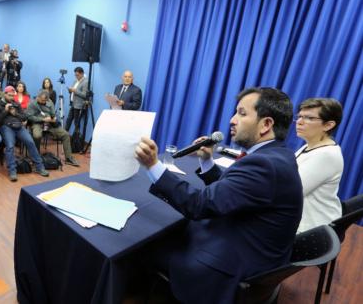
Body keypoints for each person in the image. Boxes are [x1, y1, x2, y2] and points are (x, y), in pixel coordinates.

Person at [135, 87, 303, 303]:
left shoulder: (265, 164)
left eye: (242, 113)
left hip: (228, 269)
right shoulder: (277, 155)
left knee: (142, 246)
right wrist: (206, 161)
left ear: (266, 124)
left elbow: (198, 205)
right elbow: (232, 193)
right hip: (253, 252)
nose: (232, 120)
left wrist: (152, 166)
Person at [294, 98, 344, 233]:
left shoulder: (326, 155)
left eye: (309, 118)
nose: (299, 122)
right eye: (299, 116)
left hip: (309, 228)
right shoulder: (309, 146)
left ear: (328, 125)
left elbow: (291, 192)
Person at [0, 86, 49, 181]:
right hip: (6, 127)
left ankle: (39, 167)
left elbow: (24, 117)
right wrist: (5, 111)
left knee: (30, 142)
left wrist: (15, 113)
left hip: (19, 126)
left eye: (13, 95)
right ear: (4, 94)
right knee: (10, 146)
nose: (11, 97)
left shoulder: (16, 104)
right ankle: (12, 171)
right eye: (9, 95)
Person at [26, 90, 79, 166]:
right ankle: (36, 157)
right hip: (37, 123)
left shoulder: (49, 102)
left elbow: (53, 114)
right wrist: (42, 119)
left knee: (65, 135)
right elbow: (29, 117)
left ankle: (68, 158)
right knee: (37, 135)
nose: (42, 101)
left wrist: (53, 118)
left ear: (47, 99)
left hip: (50, 124)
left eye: (44, 100)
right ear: (38, 97)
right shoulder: (32, 104)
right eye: (41, 99)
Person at [65, 67, 88, 132]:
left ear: (82, 74)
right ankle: (64, 136)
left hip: (79, 106)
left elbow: (85, 95)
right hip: (73, 104)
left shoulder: (86, 82)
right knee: (68, 120)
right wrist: (70, 90)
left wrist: (75, 91)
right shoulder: (75, 81)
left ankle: (76, 139)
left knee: (76, 123)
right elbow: (73, 90)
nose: (76, 76)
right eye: (75, 75)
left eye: (77, 75)